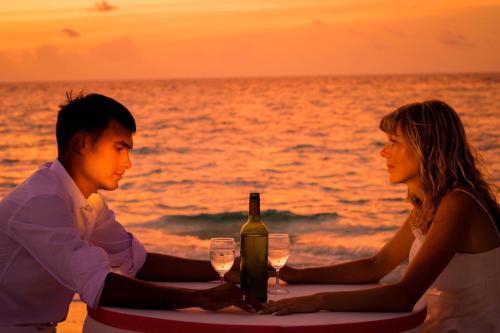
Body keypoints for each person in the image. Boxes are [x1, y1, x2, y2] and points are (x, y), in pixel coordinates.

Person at [0, 93, 254, 332]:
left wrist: (232, 268)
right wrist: (198, 298)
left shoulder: (88, 202)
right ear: (82, 143)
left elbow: (139, 262)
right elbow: (101, 286)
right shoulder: (41, 202)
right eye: (119, 148)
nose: (127, 163)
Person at [261, 100, 500, 332]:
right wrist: (296, 275)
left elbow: (403, 296)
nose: (383, 152)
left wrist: (318, 301)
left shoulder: (459, 203)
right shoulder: (430, 206)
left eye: (393, 141)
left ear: (425, 147)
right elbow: (376, 266)